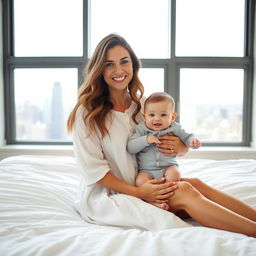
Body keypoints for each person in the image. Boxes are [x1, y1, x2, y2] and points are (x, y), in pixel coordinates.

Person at [67, 33, 256, 236]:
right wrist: (140, 192)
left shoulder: (143, 106)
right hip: (113, 194)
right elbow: (94, 172)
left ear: (133, 65)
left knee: (196, 184)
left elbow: (176, 139)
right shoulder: (87, 113)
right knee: (184, 191)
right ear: (99, 69)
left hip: (147, 182)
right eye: (109, 64)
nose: (119, 70)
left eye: (124, 62)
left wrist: (181, 147)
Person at [127, 92, 201, 210]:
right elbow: (130, 147)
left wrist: (193, 142)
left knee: (175, 174)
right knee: (140, 181)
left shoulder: (174, 127)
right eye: (151, 115)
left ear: (172, 117)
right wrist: (145, 140)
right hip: (147, 171)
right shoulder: (142, 129)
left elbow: (187, 137)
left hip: (168, 167)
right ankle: (153, 202)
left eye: (163, 115)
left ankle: (165, 196)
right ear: (145, 116)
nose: (157, 119)